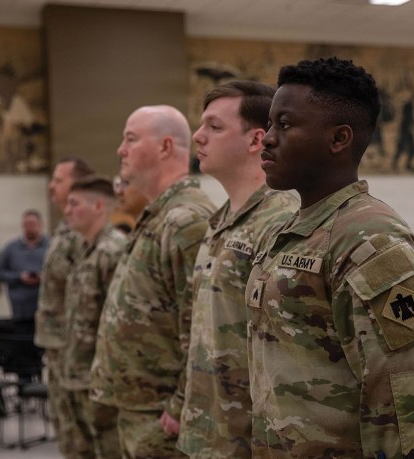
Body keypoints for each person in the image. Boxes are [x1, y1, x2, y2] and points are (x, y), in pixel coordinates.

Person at [245, 57, 414, 458]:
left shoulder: (371, 239)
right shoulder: (289, 231)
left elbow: (405, 402)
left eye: (284, 125)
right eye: (269, 124)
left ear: (338, 140)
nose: (266, 138)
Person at [177, 81, 299, 457]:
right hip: (208, 432)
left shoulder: (280, 223)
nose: (198, 136)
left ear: (255, 140)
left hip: (250, 440)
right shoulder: (220, 222)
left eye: (214, 127)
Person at [90, 105, 216, 458]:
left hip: (163, 420)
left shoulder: (186, 220)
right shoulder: (160, 215)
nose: (120, 150)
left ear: (164, 147)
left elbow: (203, 327)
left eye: (130, 139)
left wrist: (179, 406)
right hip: (140, 411)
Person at [59, 176, 126, 459]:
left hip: (100, 382)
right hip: (77, 373)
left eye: (74, 204)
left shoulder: (113, 251)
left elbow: (121, 323)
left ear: (98, 206)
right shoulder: (85, 250)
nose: (66, 210)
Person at [35, 157, 95, 457]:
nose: (51, 185)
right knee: (66, 430)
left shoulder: (84, 234)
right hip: (57, 344)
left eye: (58, 179)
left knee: (82, 433)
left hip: (76, 349)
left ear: (78, 185)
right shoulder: (63, 229)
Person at [0, 209, 49, 331]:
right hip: (20, 310)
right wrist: (19, 277)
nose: (29, 228)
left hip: (46, 309)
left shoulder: (51, 246)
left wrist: (44, 277)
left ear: (41, 225)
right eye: (26, 225)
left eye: (33, 224)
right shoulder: (11, 248)